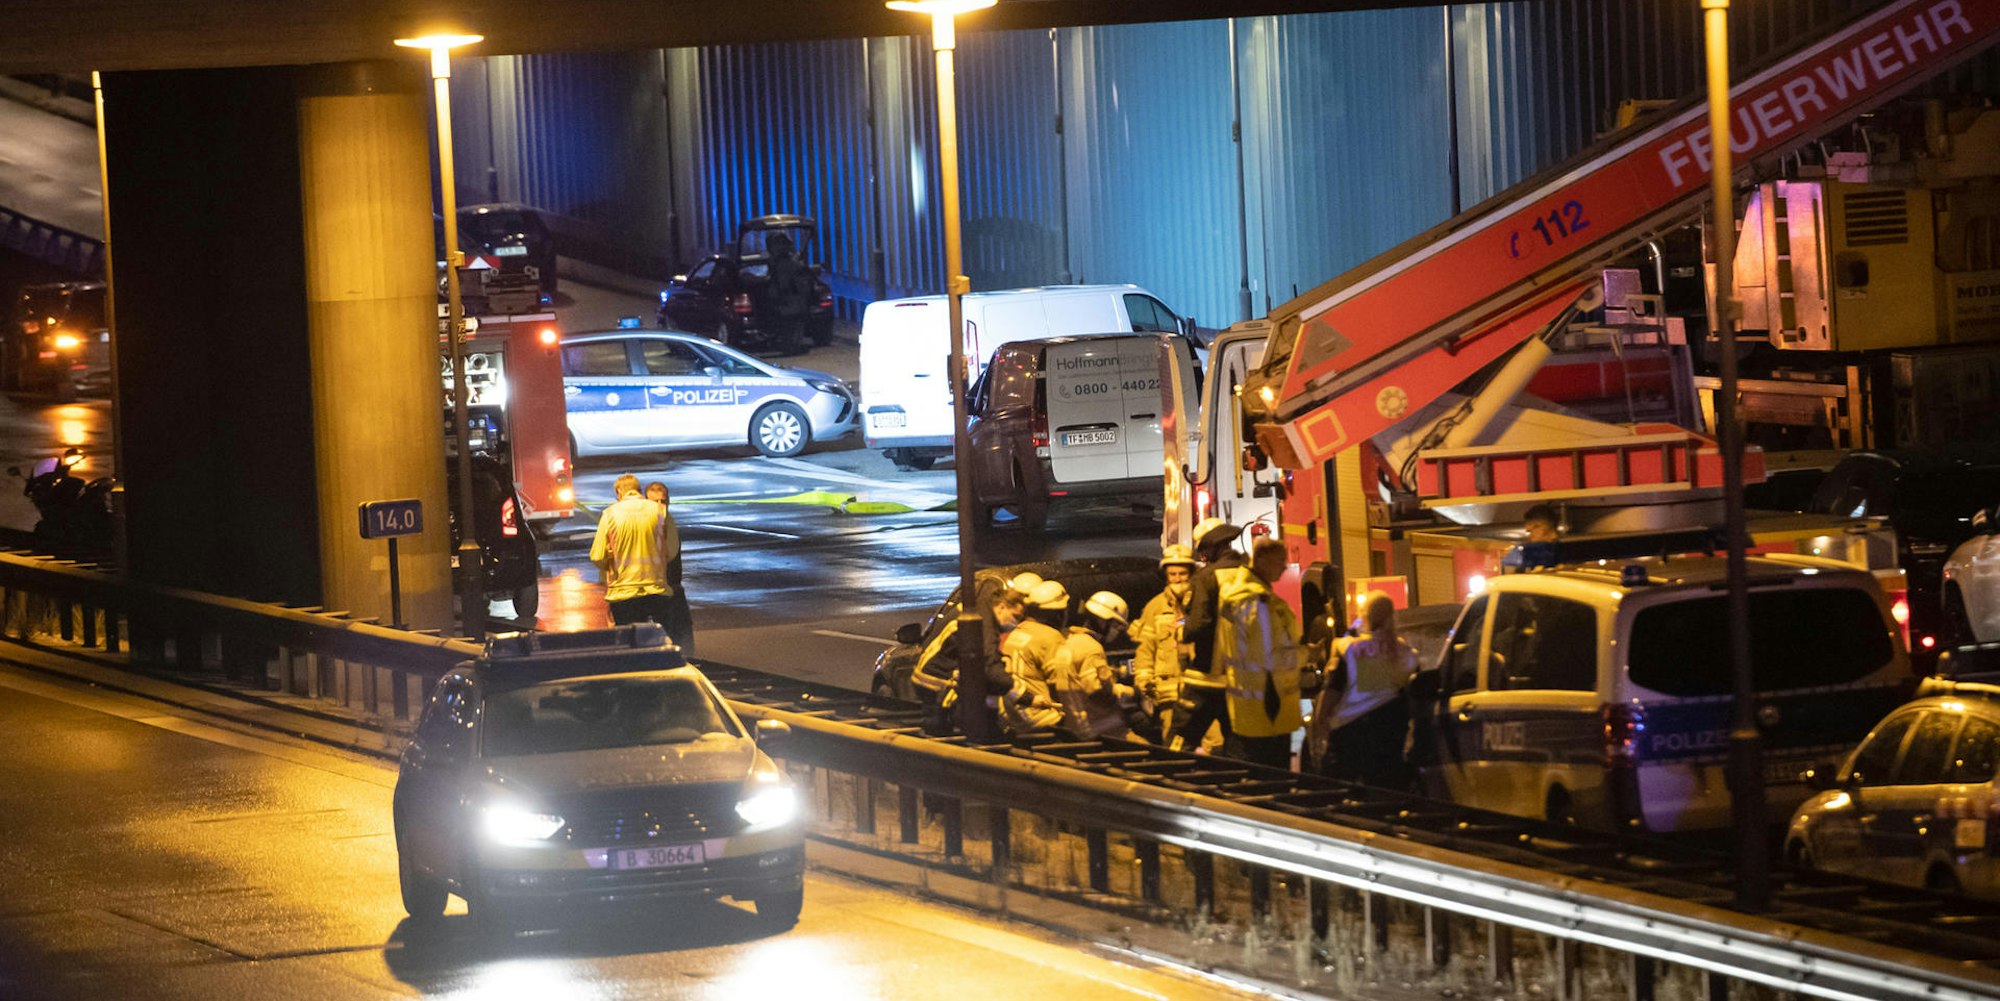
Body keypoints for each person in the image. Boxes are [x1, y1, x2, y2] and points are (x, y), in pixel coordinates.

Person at [1308, 591, 1420, 787]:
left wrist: (1320, 725)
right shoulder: (1405, 652)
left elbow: (1331, 693)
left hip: (1350, 738)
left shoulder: (1351, 649)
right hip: (1391, 737)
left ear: (1365, 617)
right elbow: (1415, 692)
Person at [1214, 538, 1306, 770]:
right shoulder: (1258, 604)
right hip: (1268, 710)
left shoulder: (1237, 595)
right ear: (1262, 562)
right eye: (1279, 562)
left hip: (1247, 709)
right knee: (1271, 779)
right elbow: (1268, 657)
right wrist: (1307, 655)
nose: (1284, 568)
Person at [1172, 518, 1245, 754]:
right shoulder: (1249, 573)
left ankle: (1167, 788)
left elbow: (1197, 626)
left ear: (1213, 546)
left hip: (1207, 677)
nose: (1202, 555)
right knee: (1236, 743)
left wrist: (1179, 630)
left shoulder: (1206, 577)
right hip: (1242, 678)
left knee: (1180, 739)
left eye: (1203, 549)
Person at [1132, 544, 1197, 741]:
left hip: (1200, 690)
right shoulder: (1155, 608)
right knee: (1174, 741)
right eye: (1173, 574)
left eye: (1183, 573)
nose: (1177, 579)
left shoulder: (1202, 603)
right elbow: (1145, 649)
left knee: (1213, 744)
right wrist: (1143, 678)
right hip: (1169, 693)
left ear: (1192, 573)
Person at [589, 474, 670, 626]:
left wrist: (610, 563)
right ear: (639, 490)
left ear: (619, 492)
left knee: (629, 640)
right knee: (658, 639)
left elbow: (597, 556)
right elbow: (669, 550)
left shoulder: (610, 514)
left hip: (623, 592)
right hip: (656, 589)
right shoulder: (659, 510)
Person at [1051, 591, 1133, 740]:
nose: (1117, 632)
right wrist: (1128, 692)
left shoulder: (1068, 640)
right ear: (1103, 621)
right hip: (1099, 726)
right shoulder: (1092, 648)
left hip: (1073, 723)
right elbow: (1097, 690)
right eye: (1116, 625)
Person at [998, 579, 1068, 734]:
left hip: (1012, 718)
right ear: (1058, 614)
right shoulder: (1051, 637)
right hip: (1042, 717)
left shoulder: (1016, 632)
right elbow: (1060, 684)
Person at [646, 481, 695, 655]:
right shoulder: (659, 520)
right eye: (655, 502)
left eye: (662, 501)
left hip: (669, 583)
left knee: (678, 626)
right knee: (676, 628)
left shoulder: (666, 519)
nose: (660, 506)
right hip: (660, 584)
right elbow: (671, 552)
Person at [761, 231, 813, 354]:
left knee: (793, 322)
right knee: (791, 323)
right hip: (788, 297)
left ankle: (791, 345)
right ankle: (791, 345)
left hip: (789, 297)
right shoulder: (783, 261)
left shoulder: (782, 261)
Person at [1504, 503, 1564, 571]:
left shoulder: (1528, 551)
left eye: (1532, 530)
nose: (1530, 536)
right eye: (1529, 532)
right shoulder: (1520, 552)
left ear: (1541, 526)